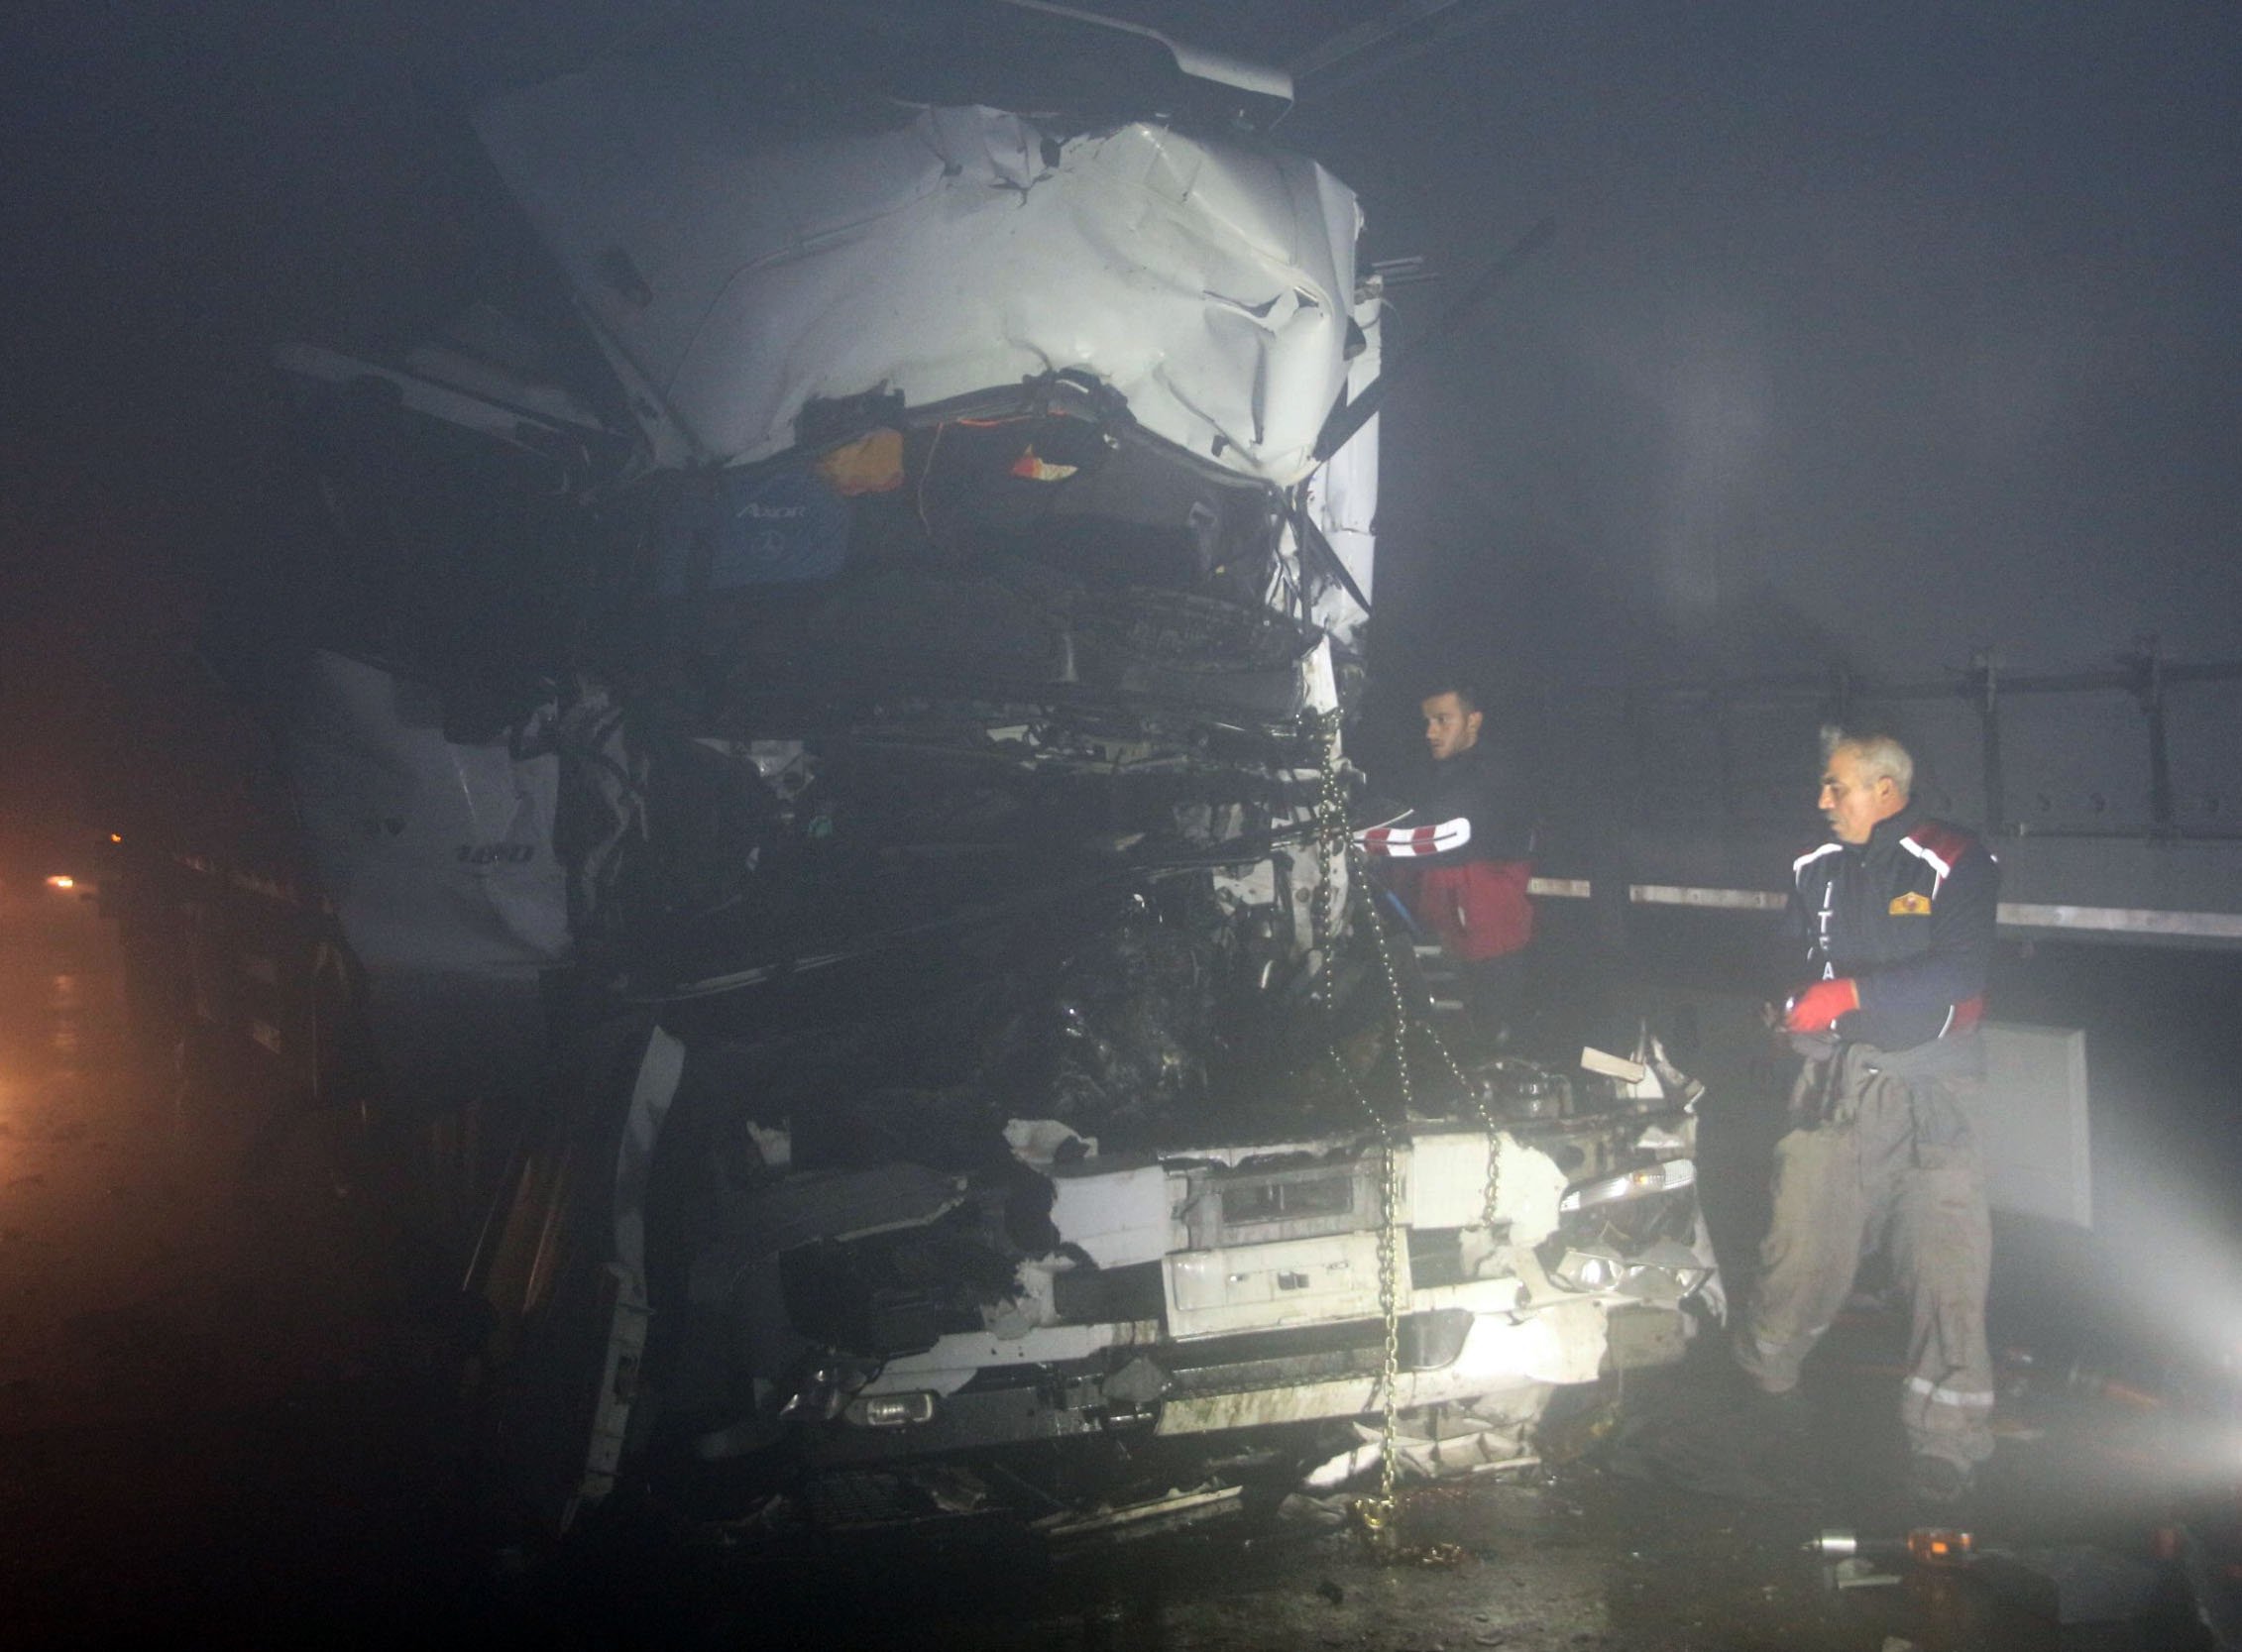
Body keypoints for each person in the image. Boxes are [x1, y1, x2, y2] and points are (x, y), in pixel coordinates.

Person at [1737, 728, 1999, 1506]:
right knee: (1800, 1248)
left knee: (1946, 1269)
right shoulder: (1813, 868)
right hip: (1836, 1088)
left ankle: (1947, 1442)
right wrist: (1787, 1004)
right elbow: (1791, 955)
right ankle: (1765, 1390)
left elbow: (1960, 969)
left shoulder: (1955, 858)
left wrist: (1848, 995)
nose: (1823, 802)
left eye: (1836, 786)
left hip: (1935, 1094)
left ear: (1886, 788)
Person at [1359, 681, 1536, 1052]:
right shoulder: (1433, 772)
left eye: (1443, 720)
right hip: (1437, 935)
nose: (1430, 732)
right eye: (1427, 721)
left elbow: (1438, 833)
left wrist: (1358, 839)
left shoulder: (1492, 777)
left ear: (1473, 721)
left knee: (1487, 1047)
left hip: (1486, 944)